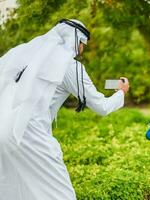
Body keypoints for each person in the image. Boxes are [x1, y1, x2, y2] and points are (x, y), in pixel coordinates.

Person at [0, 19, 129, 200]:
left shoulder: (28, 55)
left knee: (17, 190)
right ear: (77, 41)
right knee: (62, 194)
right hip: (31, 135)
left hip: (5, 132)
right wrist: (121, 93)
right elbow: (101, 107)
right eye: (84, 44)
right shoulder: (69, 66)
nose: (83, 49)